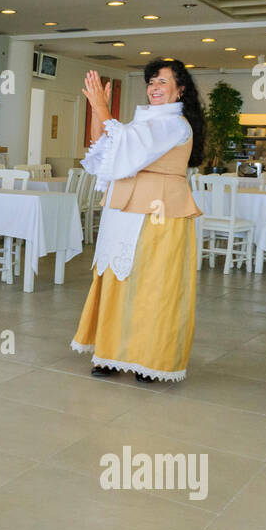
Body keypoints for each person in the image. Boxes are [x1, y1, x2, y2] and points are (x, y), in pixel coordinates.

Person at [71, 60, 206, 382]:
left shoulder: (176, 124)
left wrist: (105, 108)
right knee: (114, 278)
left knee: (152, 285)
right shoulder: (142, 121)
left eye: (162, 81)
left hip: (159, 212)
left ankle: (150, 357)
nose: (154, 87)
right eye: (151, 82)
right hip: (123, 207)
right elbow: (103, 147)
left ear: (180, 89)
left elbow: (128, 146)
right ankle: (111, 353)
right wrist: (96, 108)